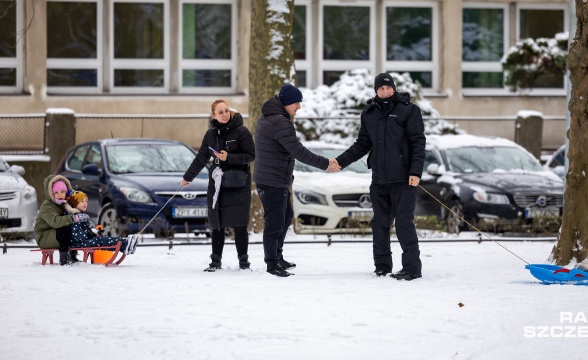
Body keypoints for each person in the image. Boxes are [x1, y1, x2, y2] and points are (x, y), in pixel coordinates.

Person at [332, 73, 426, 281]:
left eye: (388, 88)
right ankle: (382, 266)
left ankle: (412, 268)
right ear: (376, 90)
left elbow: (418, 142)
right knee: (380, 223)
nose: (385, 91)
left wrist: (415, 172)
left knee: (403, 223)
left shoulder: (408, 111)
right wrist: (340, 161)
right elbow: (362, 145)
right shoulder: (369, 113)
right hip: (379, 179)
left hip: (404, 179)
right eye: (381, 88)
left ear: (394, 89)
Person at [254, 83, 336, 277]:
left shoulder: (273, 117)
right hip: (272, 180)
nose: (298, 107)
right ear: (286, 102)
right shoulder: (279, 122)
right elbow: (298, 151)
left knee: (284, 217)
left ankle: (277, 256)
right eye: (296, 103)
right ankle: (272, 263)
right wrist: (326, 164)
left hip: (275, 179)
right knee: (275, 222)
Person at [182, 99, 256, 272]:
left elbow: (251, 155)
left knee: (239, 224)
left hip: (238, 184)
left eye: (226, 110)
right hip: (217, 184)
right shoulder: (210, 135)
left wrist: (228, 157)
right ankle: (215, 261)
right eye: (220, 112)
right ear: (214, 115)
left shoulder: (242, 131)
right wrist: (188, 177)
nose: (224, 114)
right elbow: (201, 158)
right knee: (217, 223)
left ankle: (244, 262)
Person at [34, 175, 91, 266]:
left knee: (71, 228)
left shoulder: (64, 204)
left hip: (53, 232)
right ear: (51, 193)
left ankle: (72, 255)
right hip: (43, 235)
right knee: (64, 229)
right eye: (56, 192)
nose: (59, 194)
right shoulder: (47, 206)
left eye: (62, 192)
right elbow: (55, 221)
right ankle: (64, 258)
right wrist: (73, 218)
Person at [65, 190, 138, 255]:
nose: (85, 203)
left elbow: (85, 230)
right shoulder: (75, 217)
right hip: (78, 243)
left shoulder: (82, 216)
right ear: (74, 203)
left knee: (104, 239)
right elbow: (76, 235)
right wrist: (90, 232)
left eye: (86, 201)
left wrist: (95, 230)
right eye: (82, 201)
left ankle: (125, 244)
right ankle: (125, 244)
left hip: (84, 241)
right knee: (101, 240)